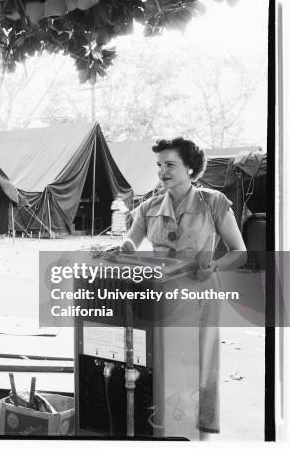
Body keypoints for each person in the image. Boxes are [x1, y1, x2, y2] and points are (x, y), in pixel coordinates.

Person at [121, 137, 246, 440]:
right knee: (162, 360)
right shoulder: (149, 206)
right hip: (161, 294)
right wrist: (121, 249)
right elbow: (131, 242)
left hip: (201, 293)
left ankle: (201, 434)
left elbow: (239, 252)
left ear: (190, 168)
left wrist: (215, 266)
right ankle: (165, 425)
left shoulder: (214, 202)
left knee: (202, 362)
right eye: (159, 165)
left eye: (170, 165)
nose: (162, 171)